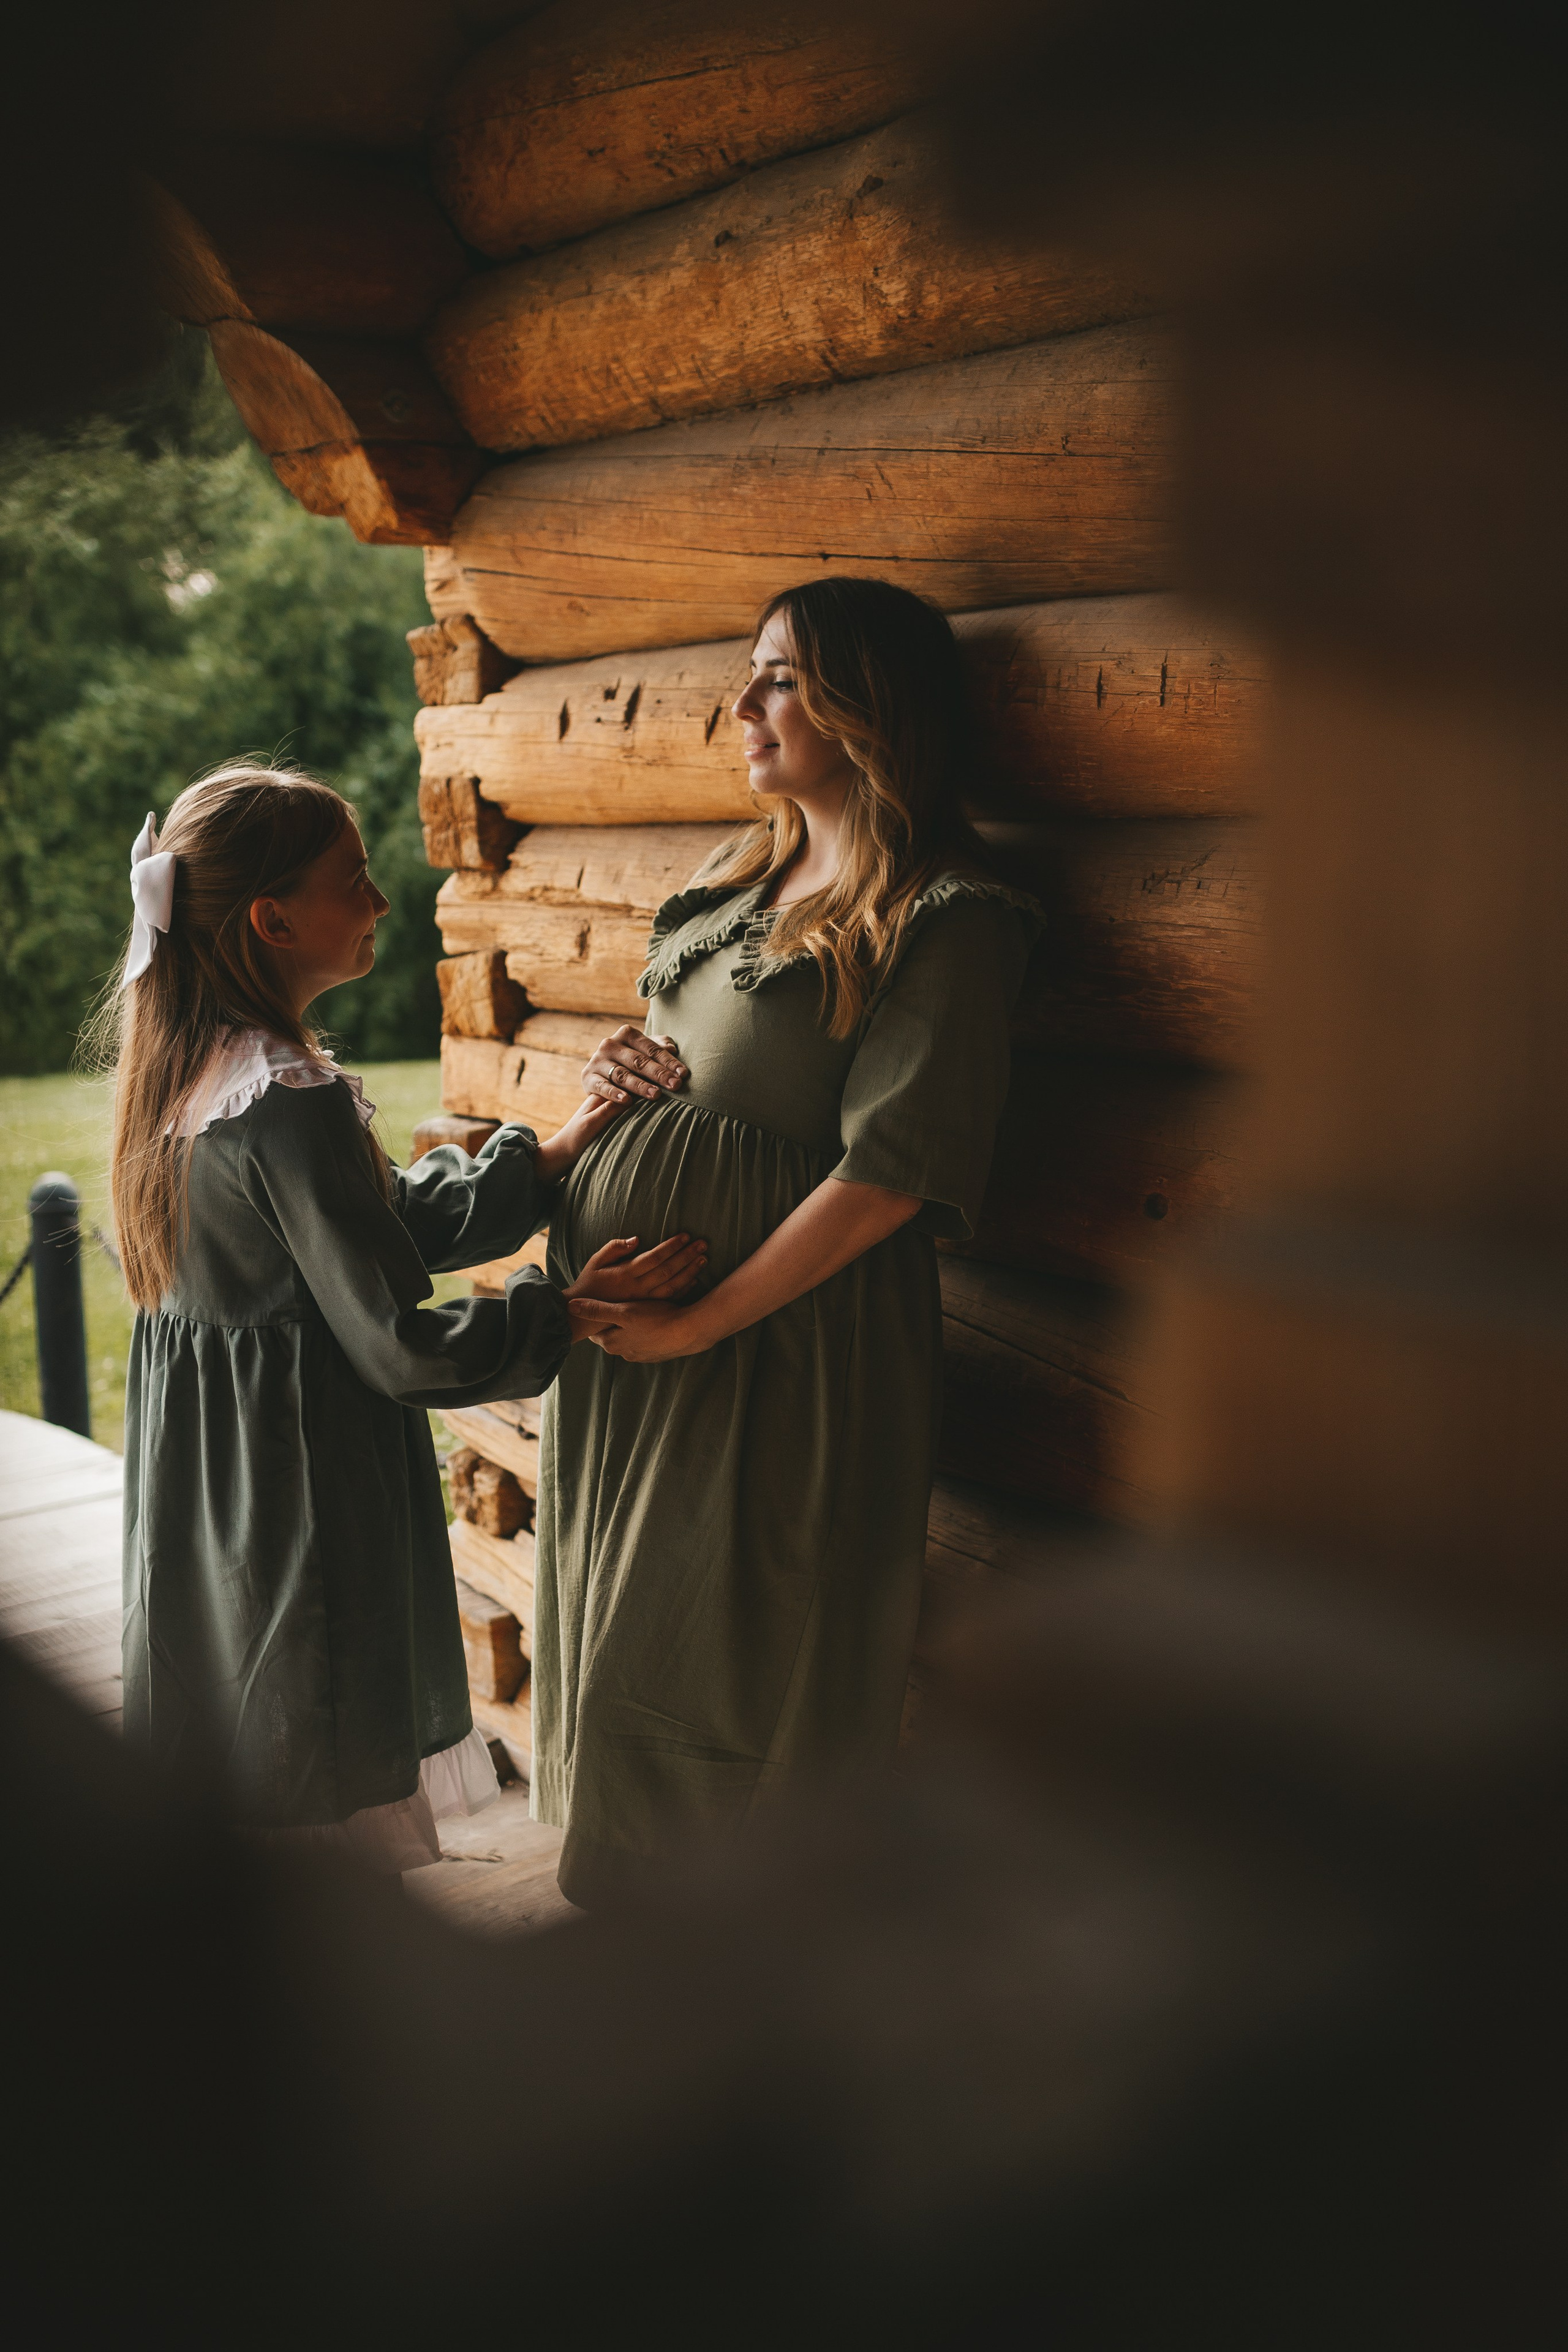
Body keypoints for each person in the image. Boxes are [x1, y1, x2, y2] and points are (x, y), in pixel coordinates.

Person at [534, 577, 1042, 1906]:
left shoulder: (949, 913)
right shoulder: (736, 876)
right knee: (631, 1628)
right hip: (644, 1346)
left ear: (866, 708)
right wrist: (619, 1073)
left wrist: (697, 1319)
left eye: (778, 677)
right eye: (750, 675)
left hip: (778, 1343)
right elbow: (703, 1065)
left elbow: (890, 1173)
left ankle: (727, 1988)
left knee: (725, 1644)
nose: (742, 705)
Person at [101, 763, 703, 1872]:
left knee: (251, 1743)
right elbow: (394, 1343)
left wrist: (553, 1153)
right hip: (301, 1501)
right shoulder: (285, 1096)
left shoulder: (197, 1071)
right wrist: (565, 1310)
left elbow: (366, 1232)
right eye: (355, 878)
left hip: (215, 1502)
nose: (380, 902)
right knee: (324, 1773)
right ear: (274, 918)